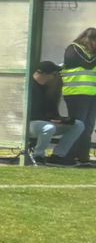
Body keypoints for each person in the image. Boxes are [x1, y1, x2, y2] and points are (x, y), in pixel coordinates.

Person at [26, 62, 87, 164]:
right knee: (48, 127)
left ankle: (58, 156)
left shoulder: (48, 89)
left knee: (78, 125)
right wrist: (49, 119)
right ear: (42, 73)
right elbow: (29, 113)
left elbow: (51, 112)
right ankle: (38, 156)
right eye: (54, 74)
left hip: (45, 122)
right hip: (29, 124)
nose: (56, 77)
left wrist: (62, 119)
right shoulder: (28, 86)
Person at [64, 27, 96, 166]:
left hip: (91, 94)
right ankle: (68, 155)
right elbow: (87, 64)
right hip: (76, 94)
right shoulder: (74, 48)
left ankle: (83, 157)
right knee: (78, 126)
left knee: (88, 127)